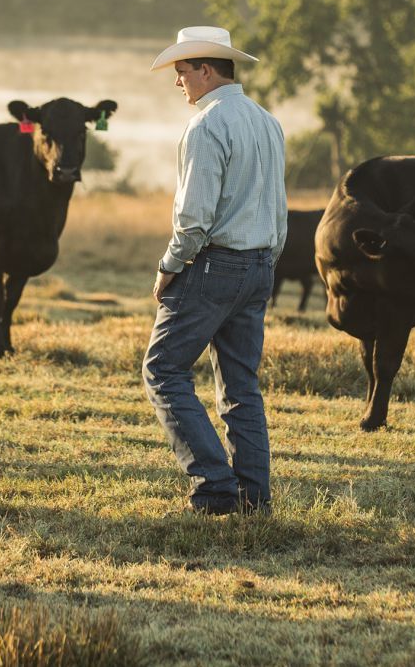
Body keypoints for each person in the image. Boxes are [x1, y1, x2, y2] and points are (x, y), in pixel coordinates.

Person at [143, 25, 287, 515]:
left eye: (182, 73)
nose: (177, 83)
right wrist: (266, 260)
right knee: (240, 384)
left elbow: (194, 218)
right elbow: (278, 208)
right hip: (260, 263)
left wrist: (169, 267)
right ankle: (253, 497)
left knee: (162, 370)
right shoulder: (267, 121)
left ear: (205, 69)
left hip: (211, 266)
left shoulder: (206, 126)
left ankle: (214, 485)